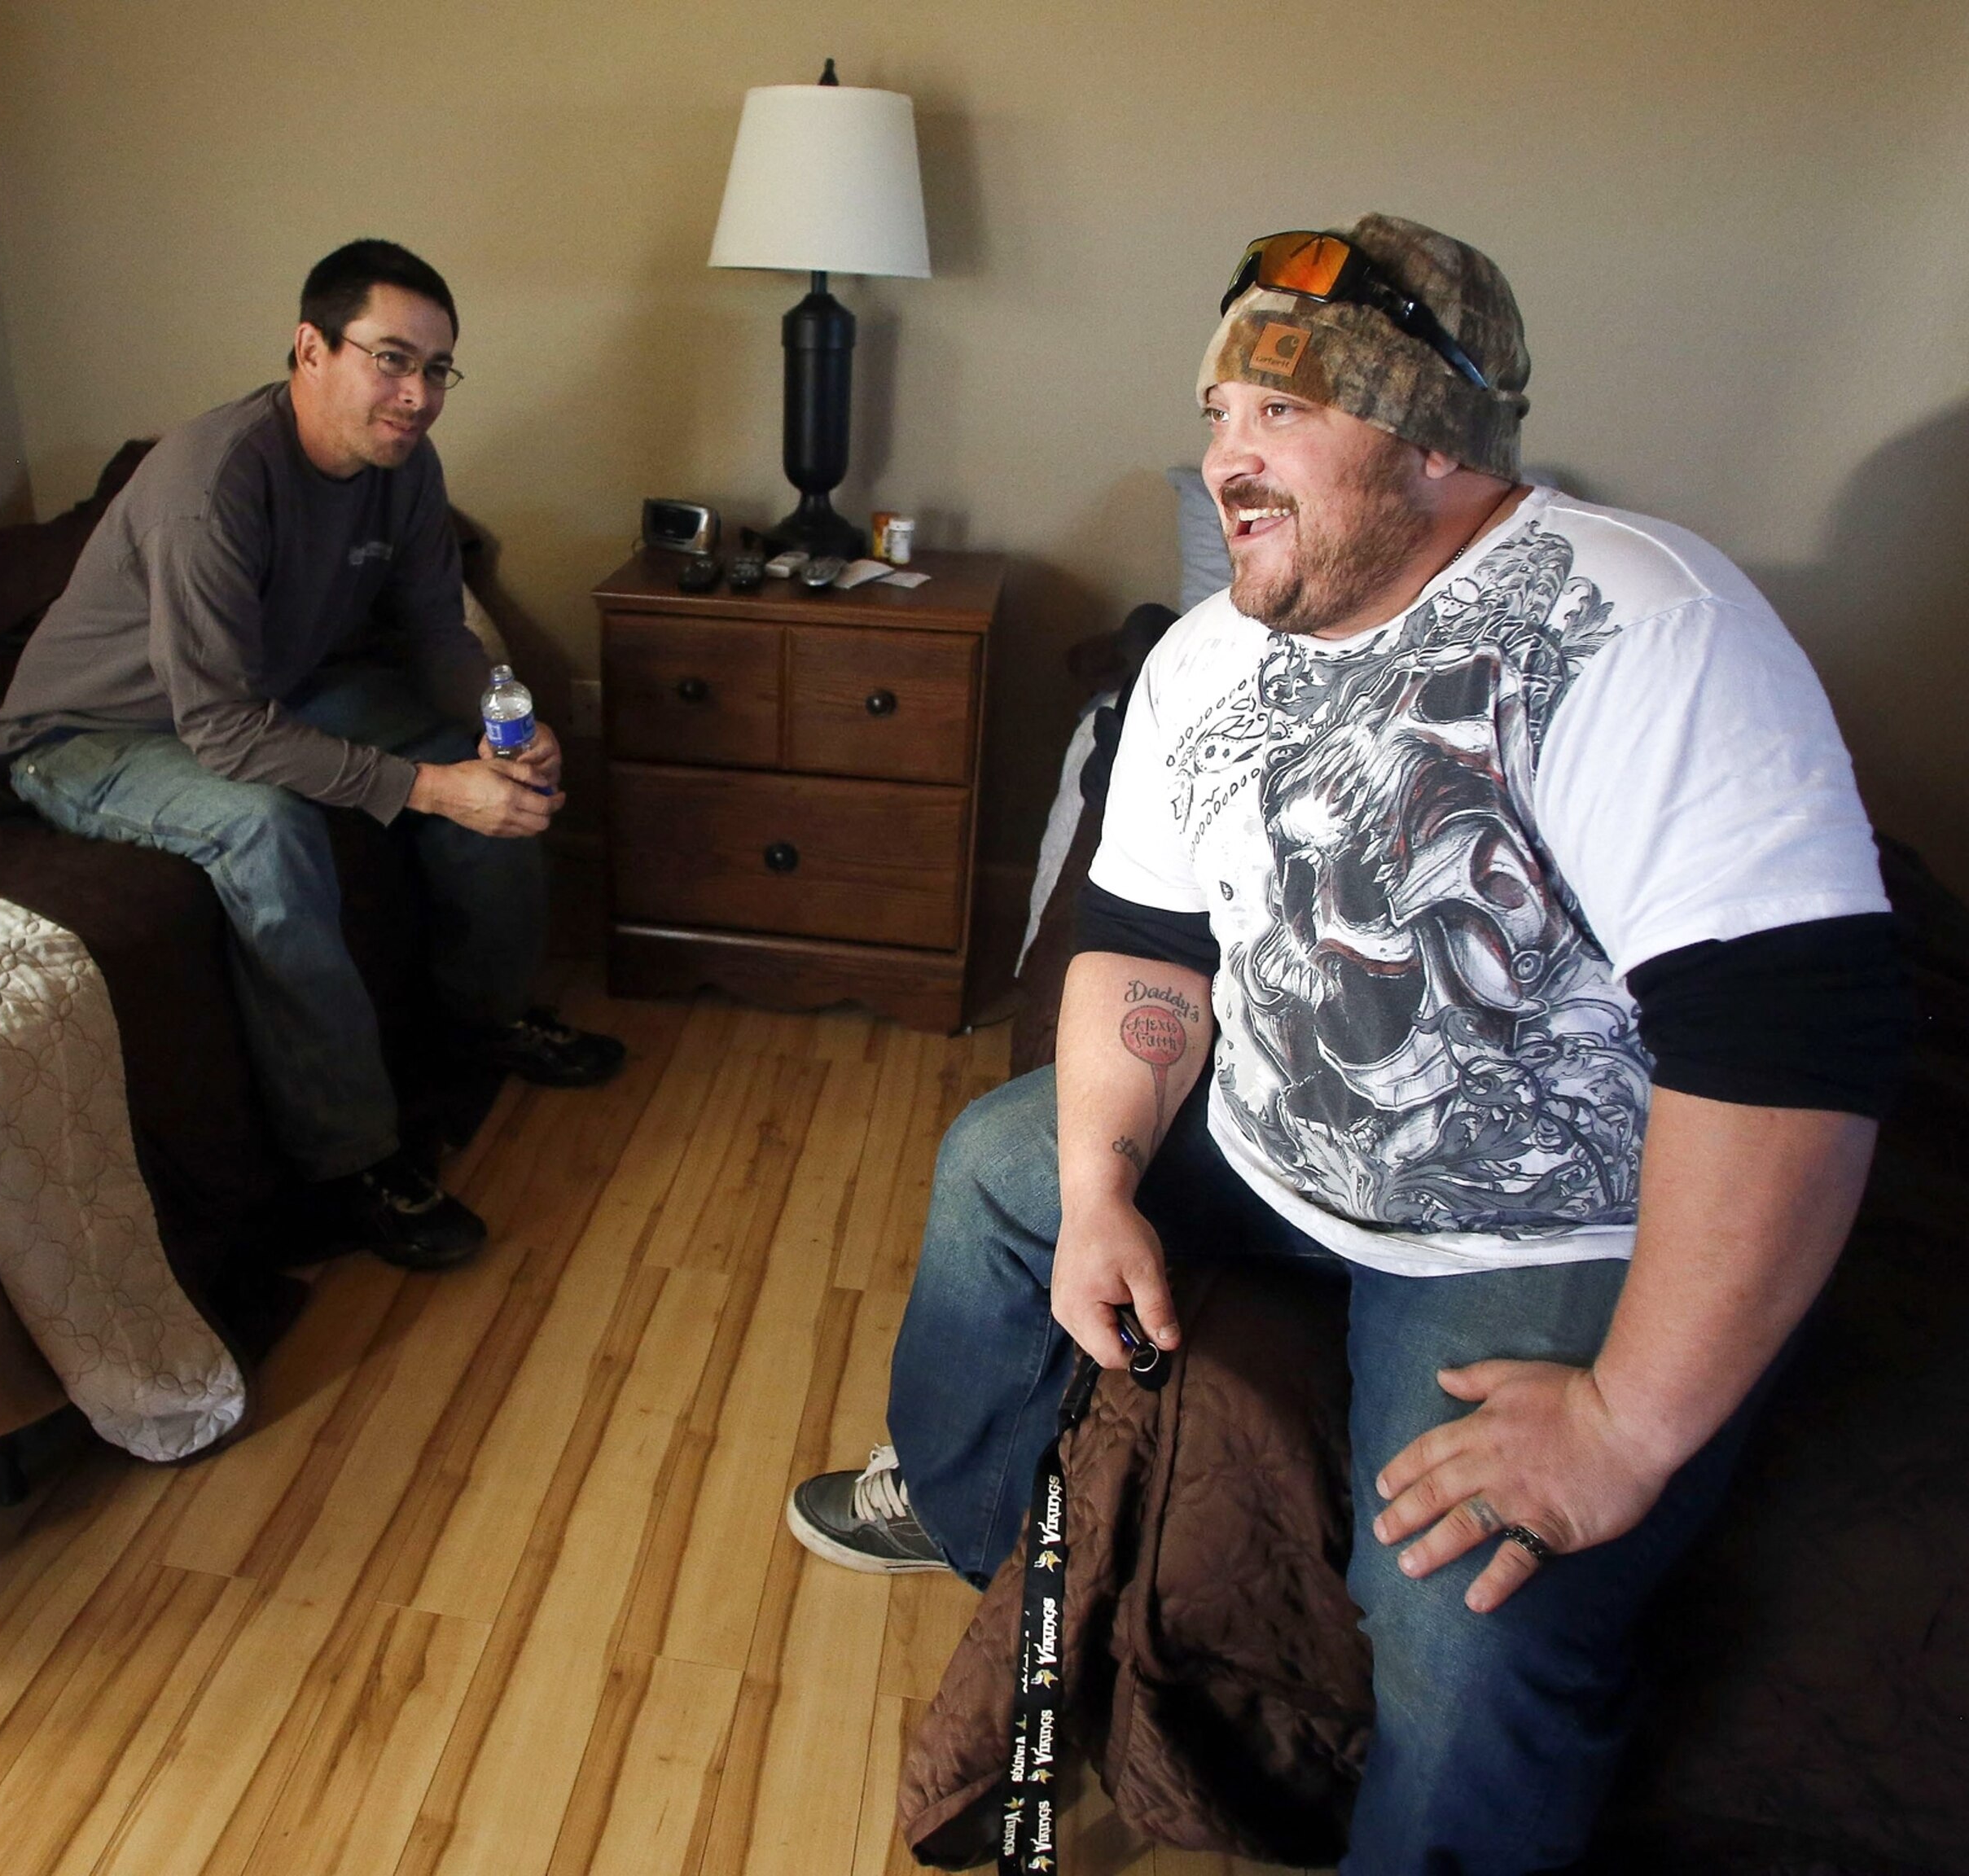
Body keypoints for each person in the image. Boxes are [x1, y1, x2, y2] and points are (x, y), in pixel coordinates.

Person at [787, 216, 1911, 1870]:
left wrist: (1628, 1426)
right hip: (1266, 1138)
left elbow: (1799, 1044)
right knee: (1003, 1165)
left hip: (1543, 1223)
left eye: (1282, 412)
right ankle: (971, 1517)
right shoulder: (1201, 662)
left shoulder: (1637, 626)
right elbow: (1145, 949)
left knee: (1475, 1623)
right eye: (1217, 413)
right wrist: (1102, 1180)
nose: (1227, 453)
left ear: (1437, 436)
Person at [0, 238, 622, 1272]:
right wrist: (428, 790)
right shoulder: (214, 483)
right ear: (310, 350)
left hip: (259, 691)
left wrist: (507, 721)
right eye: (391, 359)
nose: (416, 395)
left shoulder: (402, 467)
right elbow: (224, 735)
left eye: (435, 369)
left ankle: (489, 1015)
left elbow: (433, 634)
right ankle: (353, 1158)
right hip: (95, 731)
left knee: (477, 755)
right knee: (268, 829)